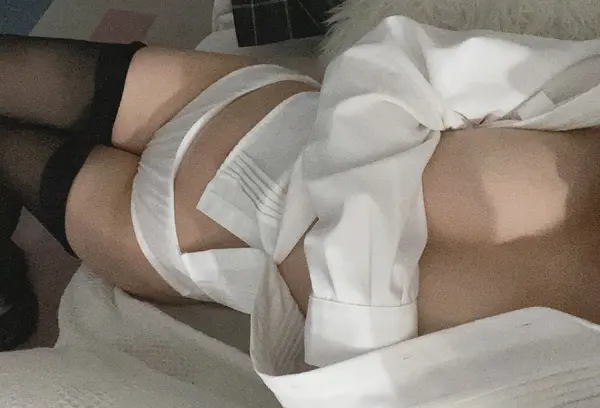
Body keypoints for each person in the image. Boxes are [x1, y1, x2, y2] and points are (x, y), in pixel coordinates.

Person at [3, 15, 600, 405]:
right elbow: (395, 59)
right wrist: (358, 299)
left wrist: (361, 233)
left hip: (167, 239)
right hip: (229, 101)